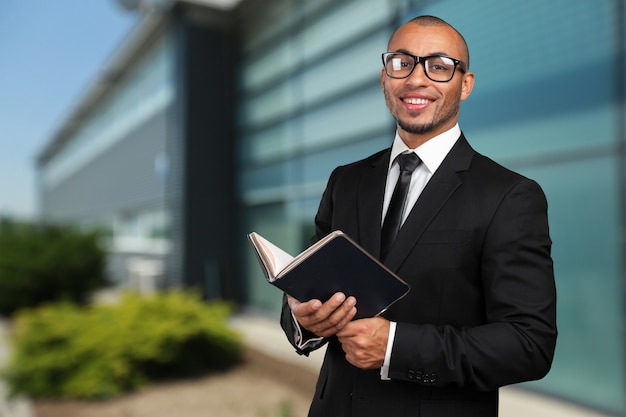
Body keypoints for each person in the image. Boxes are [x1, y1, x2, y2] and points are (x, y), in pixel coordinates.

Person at [280, 15, 557, 417]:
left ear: (465, 84)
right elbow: (309, 291)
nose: (416, 79)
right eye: (402, 62)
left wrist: (395, 346)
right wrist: (303, 320)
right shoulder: (346, 181)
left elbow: (529, 343)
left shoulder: (510, 196)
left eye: (439, 66)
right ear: (384, 78)